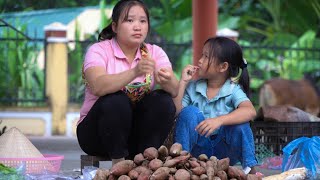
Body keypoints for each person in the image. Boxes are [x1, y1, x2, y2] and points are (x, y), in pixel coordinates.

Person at [76, 0, 179, 165]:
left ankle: (146, 161)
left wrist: (167, 80)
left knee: (163, 100)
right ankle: (119, 165)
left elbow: (174, 90)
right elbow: (98, 86)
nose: (137, 26)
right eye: (129, 20)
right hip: (97, 135)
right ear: (115, 27)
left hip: (134, 137)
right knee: (116, 100)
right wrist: (135, 72)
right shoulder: (98, 50)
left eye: (142, 21)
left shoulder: (154, 52)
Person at [173, 36, 258, 174]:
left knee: (240, 123)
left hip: (225, 153)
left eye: (206, 57)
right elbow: (177, 112)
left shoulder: (232, 89)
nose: (200, 60)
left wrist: (219, 120)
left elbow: (250, 111)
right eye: (202, 55)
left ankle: (251, 170)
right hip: (198, 151)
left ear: (223, 67)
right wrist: (182, 82)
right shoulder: (193, 88)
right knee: (189, 112)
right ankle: (181, 164)